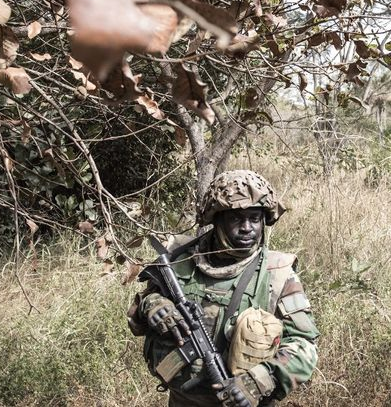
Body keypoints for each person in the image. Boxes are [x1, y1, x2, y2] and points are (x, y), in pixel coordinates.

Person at [127, 170, 319, 407]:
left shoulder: (277, 273)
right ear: (217, 220)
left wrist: (257, 381)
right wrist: (154, 305)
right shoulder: (181, 261)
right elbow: (138, 319)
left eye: (255, 218)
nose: (247, 228)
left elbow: (304, 347)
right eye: (237, 219)